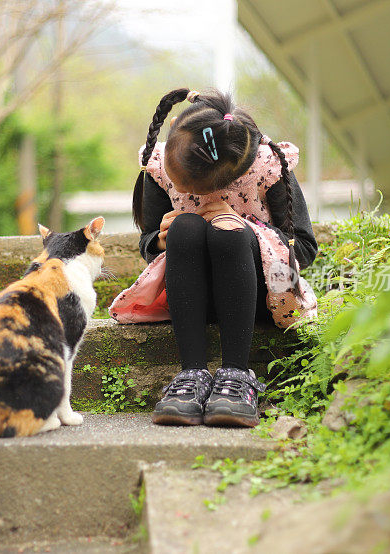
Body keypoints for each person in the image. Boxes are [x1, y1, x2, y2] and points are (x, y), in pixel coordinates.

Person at [108, 88, 319, 427]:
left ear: (233, 172)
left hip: (264, 297)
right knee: (186, 228)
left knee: (226, 231)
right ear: (173, 126)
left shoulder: (267, 166)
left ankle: (237, 375)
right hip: (191, 296)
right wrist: (160, 240)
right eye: (183, 187)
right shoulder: (161, 163)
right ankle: (191, 374)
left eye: (197, 189)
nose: (189, 194)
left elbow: (304, 248)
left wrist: (245, 228)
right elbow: (147, 241)